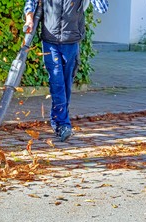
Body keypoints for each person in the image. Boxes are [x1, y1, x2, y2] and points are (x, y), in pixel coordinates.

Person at [23, 0, 108, 142]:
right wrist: (29, 19)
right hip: (50, 40)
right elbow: (30, 2)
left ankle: (59, 122)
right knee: (57, 81)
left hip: (71, 40)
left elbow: (102, 8)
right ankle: (63, 124)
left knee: (66, 84)